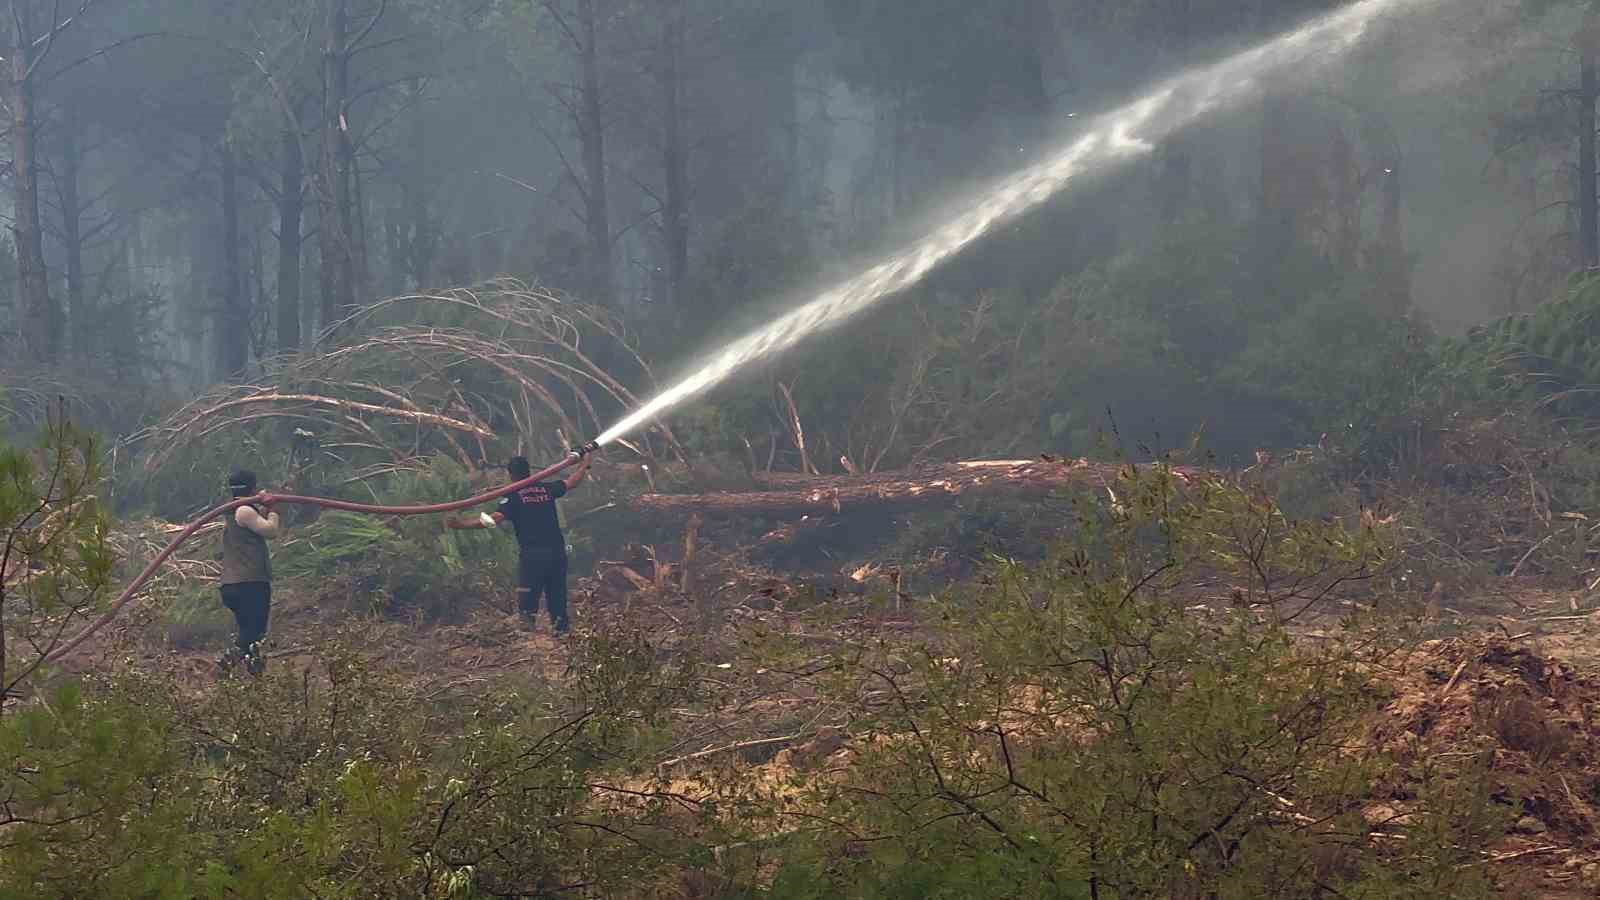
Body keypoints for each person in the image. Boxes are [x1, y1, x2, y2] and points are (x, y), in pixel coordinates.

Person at [446, 453, 591, 634]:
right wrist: (585, 464)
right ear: (528, 471)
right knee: (557, 595)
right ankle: (562, 634)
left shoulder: (514, 496)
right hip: (557, 553)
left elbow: (492, 520)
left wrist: (461, 524)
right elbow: (571, 482)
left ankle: (529, 637)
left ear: (511, 475)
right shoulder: (545, 489)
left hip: (533, 555)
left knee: (528, 597)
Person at [219, 470, 280, 676]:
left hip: (233, 585)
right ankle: (225, 666)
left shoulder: (234, 509)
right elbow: (270, 530)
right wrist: (272, 509)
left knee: (251, 634)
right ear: (252, 488)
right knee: (254, 632)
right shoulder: (244, 511)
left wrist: (261, 504)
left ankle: (255, 676)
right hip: (249, 583)